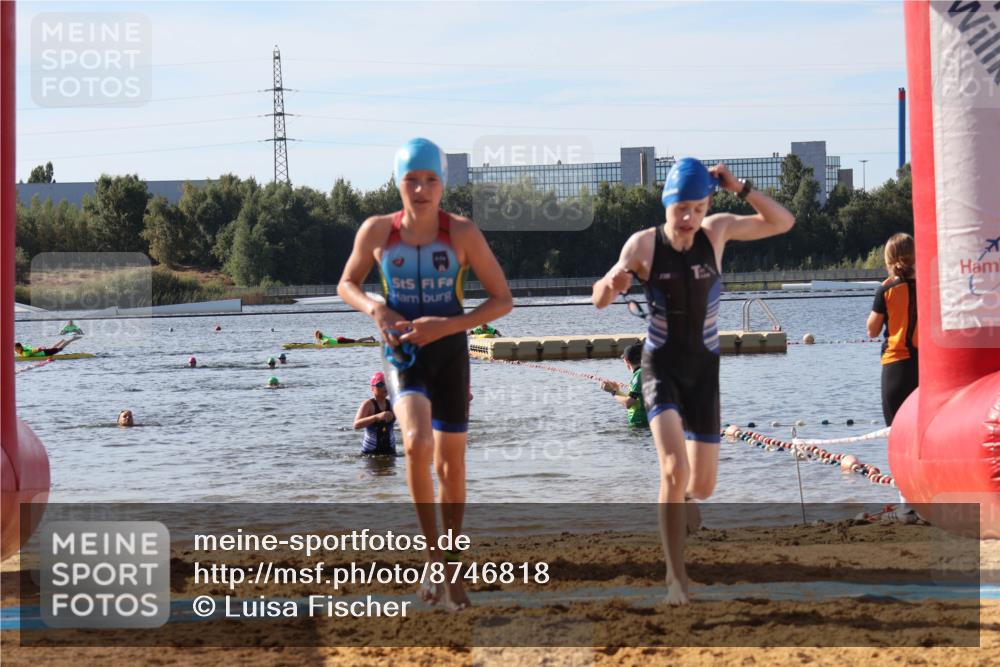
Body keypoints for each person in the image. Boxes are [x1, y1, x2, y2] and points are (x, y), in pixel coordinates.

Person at [592, 157, 794, 605]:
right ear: (667, 204)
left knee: (700, 487)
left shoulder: (717, 232)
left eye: (697, 209)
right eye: (680, 208)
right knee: (670, 467)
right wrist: (613, 281)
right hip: (661, 366)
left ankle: (680, 500)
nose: (688, 219)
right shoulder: (643, 245)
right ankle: (675, 578)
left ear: (706, 207)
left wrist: (739, 187)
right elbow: (599, 299)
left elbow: (783, 222)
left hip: (704, 371)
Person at [338, 137, 513, 609]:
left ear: (443, 184)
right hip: (402, 355)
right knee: (415, 442)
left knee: (451, 467)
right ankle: (436, 561)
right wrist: (375, 307)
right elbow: (347, 283)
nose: (421, 189)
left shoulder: (461, 233)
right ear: (398, 183)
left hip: (450, 352)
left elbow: (502, 299)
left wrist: (448, 325)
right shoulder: (377, 231)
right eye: (411, 180)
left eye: (430, 179)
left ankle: (450, 563)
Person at [867, 233, 918, 426]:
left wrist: (880, 293)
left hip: (896, 365)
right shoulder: (929, 287)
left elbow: (872, 331)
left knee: (896, 432)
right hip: (924, 366)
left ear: (888, 259)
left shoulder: (886, 290)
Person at [601, 343, 648, 428]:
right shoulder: (646, 372)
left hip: (640, 425)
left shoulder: (639, 375)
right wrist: (617, 390)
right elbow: (636, 399)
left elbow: (628, 403)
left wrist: (613, 392)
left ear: (626, 360)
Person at [353, 372, 397, 456]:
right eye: (380, 384)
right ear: (372, 388)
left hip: (391, 452)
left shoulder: (392, 404)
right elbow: (356, 425)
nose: (385, 387)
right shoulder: (368, 404)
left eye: (387, 384)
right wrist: (376, 417)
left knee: (391, 469)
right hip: (370, 453)